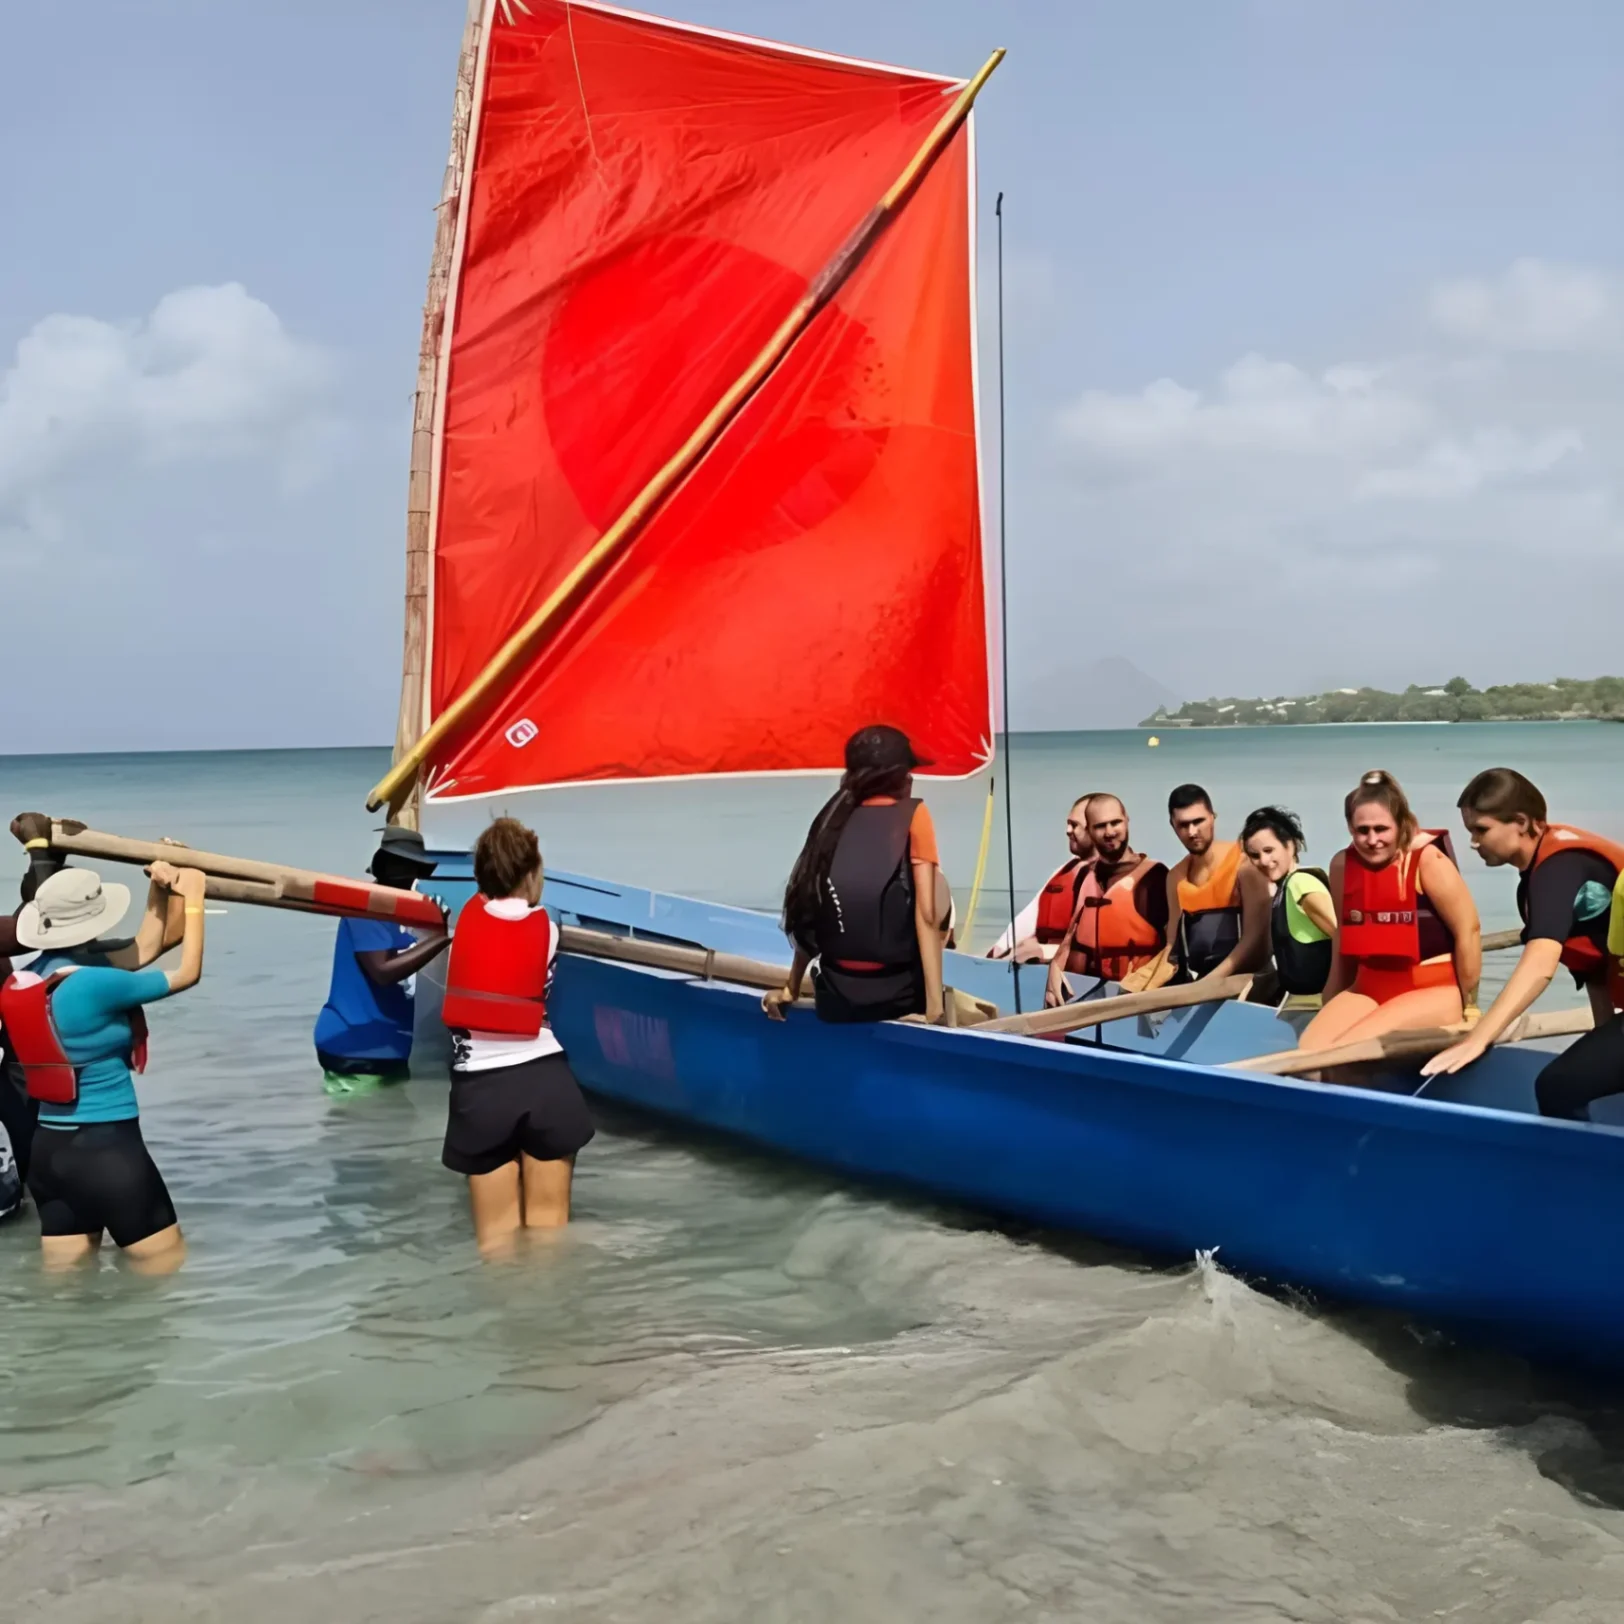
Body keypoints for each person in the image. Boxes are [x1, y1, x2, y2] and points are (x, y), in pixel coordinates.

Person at [0, 860, 206, 1270]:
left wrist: (161, 888)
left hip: (49, 1155)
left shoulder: (28, 981)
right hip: (109, 1152)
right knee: (163, 1282)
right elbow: (187, 973)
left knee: (64, 1293)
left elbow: (148, 945)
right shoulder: (99, 983)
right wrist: (196, 898)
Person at [1423, 769, 1624, 1115]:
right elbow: (1593, 966)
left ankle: (1574, 1168)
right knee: (1580, 1078)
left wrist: (1479, 1037)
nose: (1473, 842)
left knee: (1557, 1085)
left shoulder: (1559, 869)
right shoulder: (1543, 871)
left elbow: (1540, 963)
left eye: (1480, 829)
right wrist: (1601, 1040)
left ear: (1520, 821)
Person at [1, 813, 185, 1192]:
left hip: (22, 1064)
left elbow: (147, 946)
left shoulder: (63, 969)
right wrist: (40, 851)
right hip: (24, 1071)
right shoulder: (73, 972)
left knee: (39, 1174)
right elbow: (32, 922)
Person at [440, 817, 594, 1250]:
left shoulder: (464, 921)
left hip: (482, 1091)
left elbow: (487, 903)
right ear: (531, 874)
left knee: (496, 1245)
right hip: (546, 1083)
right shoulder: (549, 926)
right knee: (550, 1236)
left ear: (480, 879)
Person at [764, 724, 953, 1025]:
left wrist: (791, 988)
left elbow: (809, 906)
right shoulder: (915, 815)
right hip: (897, 998)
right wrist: (934, 1009)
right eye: (908, 771)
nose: (912, 778)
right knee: (939, 893)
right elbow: (926, 915)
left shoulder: (833, 818)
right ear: (894, 776)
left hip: (836, 998)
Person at [1298, 770, 1482, 1053]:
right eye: (1363, 830)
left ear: (1400, 824)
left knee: (1346, 1054)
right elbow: (1343, 939)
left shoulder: (1428, 861)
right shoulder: (1342, 866)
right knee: (1308, 1054)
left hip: (1430, 991)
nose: (1372, 840)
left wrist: (1470, 1006)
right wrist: (1331, 998)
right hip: (1368, 987)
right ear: (1350, 828)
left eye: (1381, 829)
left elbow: (1468, 930)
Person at [313, 826, 450, 1094]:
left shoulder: (406, 912)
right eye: (407, 871)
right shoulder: (366, 908)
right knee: (366, 1129)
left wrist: (435, 928)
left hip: (389, 1046)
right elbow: (382, 971)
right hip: (356, 1047)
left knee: (392, 1128)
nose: (410, 880)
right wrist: (442, 940)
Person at [1044, 794, 1171, 1006]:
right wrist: (1054, 969)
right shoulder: (1085, 876)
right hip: (1080, 1001)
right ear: (1090, 831)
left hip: (1132, 1004)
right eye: (1100, 826)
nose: (1110, 832)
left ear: (1127, 820)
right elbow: (1071, 937)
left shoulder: (1155, 878)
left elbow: (1173, 949)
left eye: (1116, 823)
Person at [1164, 785, 1271, 982]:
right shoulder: (1175, 877)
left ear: (1213, 816)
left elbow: (1255, 938)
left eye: (1199, 821)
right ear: (1172, 825)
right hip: (1201, 983)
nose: (1192, 831)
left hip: (1249, 982)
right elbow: (1172, 945)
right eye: (1183, 825)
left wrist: (1211, 981)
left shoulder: (1244, 864)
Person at [1240, 806, 1337, 999]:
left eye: (1269, 850)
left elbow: (1343, 937)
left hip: (1318, 1002)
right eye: (1255, 855)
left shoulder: (1301, 884)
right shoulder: (1283, 890)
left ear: (1291, 846)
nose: (1264, 861)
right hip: (1299, 1000)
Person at [987, 796, 1098, 962]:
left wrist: (1044, 951)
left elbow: (1101, 941)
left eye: (1074, 825)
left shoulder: (1116, 878)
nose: (1067, 830)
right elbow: (1025, 922)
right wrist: (997, 953)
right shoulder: (1063, 872)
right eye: (1068, 823)